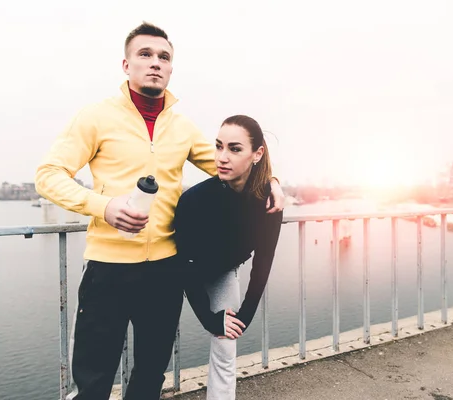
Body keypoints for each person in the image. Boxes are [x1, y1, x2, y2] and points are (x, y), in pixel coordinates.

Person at [34, 22, 285, 400]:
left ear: (171, 68)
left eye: (163, 57)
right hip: (108, 269)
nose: (155, 63)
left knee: (150, 378)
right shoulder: (95, 117)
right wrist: (104, 206)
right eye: (145, 54)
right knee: (94, 379)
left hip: (165, 272)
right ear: (126, 65)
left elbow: (233, 163)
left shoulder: (181, 128)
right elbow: (48, 175)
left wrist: (274, 181)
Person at [173, 115, 283, 400]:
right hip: (181, 272)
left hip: (222, 272)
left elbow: (263, 264)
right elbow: (184, 265)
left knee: (226, 344)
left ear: (257, 154)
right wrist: (209, 319)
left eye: (234, 149)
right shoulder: (194, 200)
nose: (222, 157)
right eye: (219, 146)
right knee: (156, 348)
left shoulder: (268, 201)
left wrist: (242, 317)